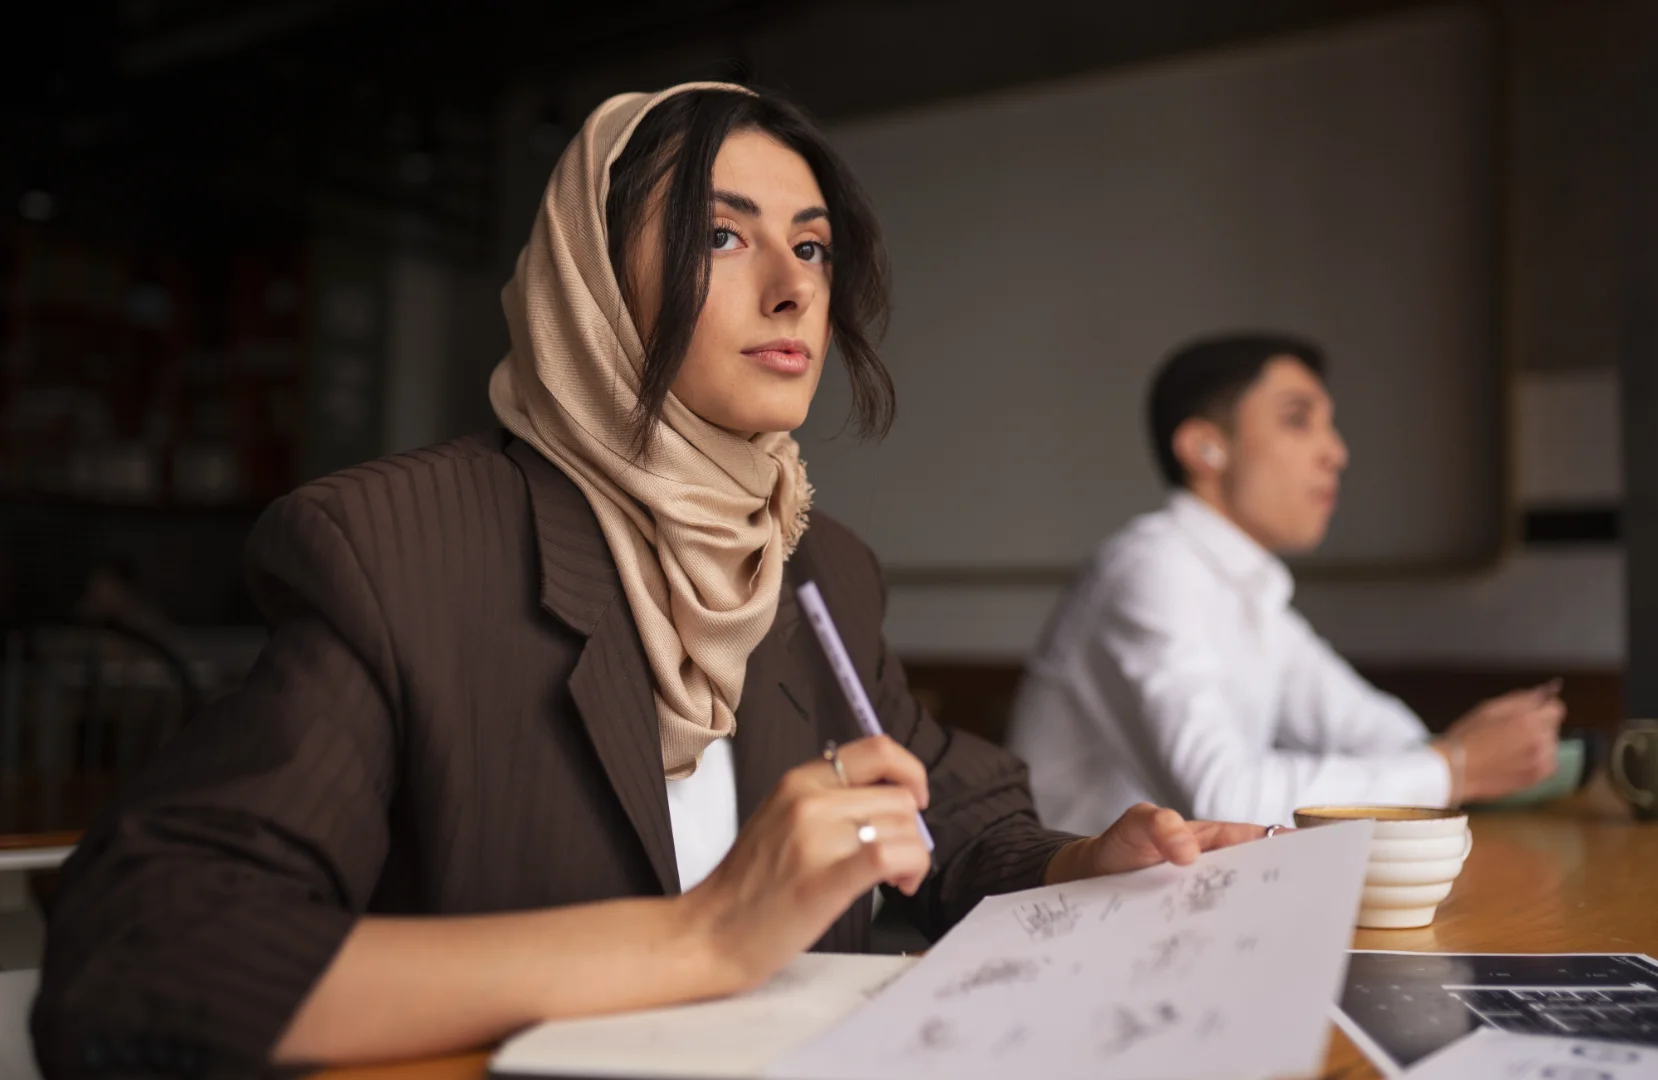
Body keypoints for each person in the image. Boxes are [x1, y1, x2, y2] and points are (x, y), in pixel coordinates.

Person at [31, 85, 1270, 1077]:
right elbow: (148, 951)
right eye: (719, 235)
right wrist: (699, 938)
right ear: (586, 276)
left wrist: (1075, 864)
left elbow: (954, 816)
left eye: (815, 248)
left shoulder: (811, 561)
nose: (792, 288)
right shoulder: (394, 545)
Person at [1006, 334, 1565, 835]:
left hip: (1167, 906)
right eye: (1299, 421)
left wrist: (1463, 755)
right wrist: (1452, 766)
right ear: (1205, 448)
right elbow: (1226, 798)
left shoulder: (1252, 590)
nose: (1336, 452)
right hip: (1078, 918)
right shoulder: (1150, 570)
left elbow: (1374, 729)